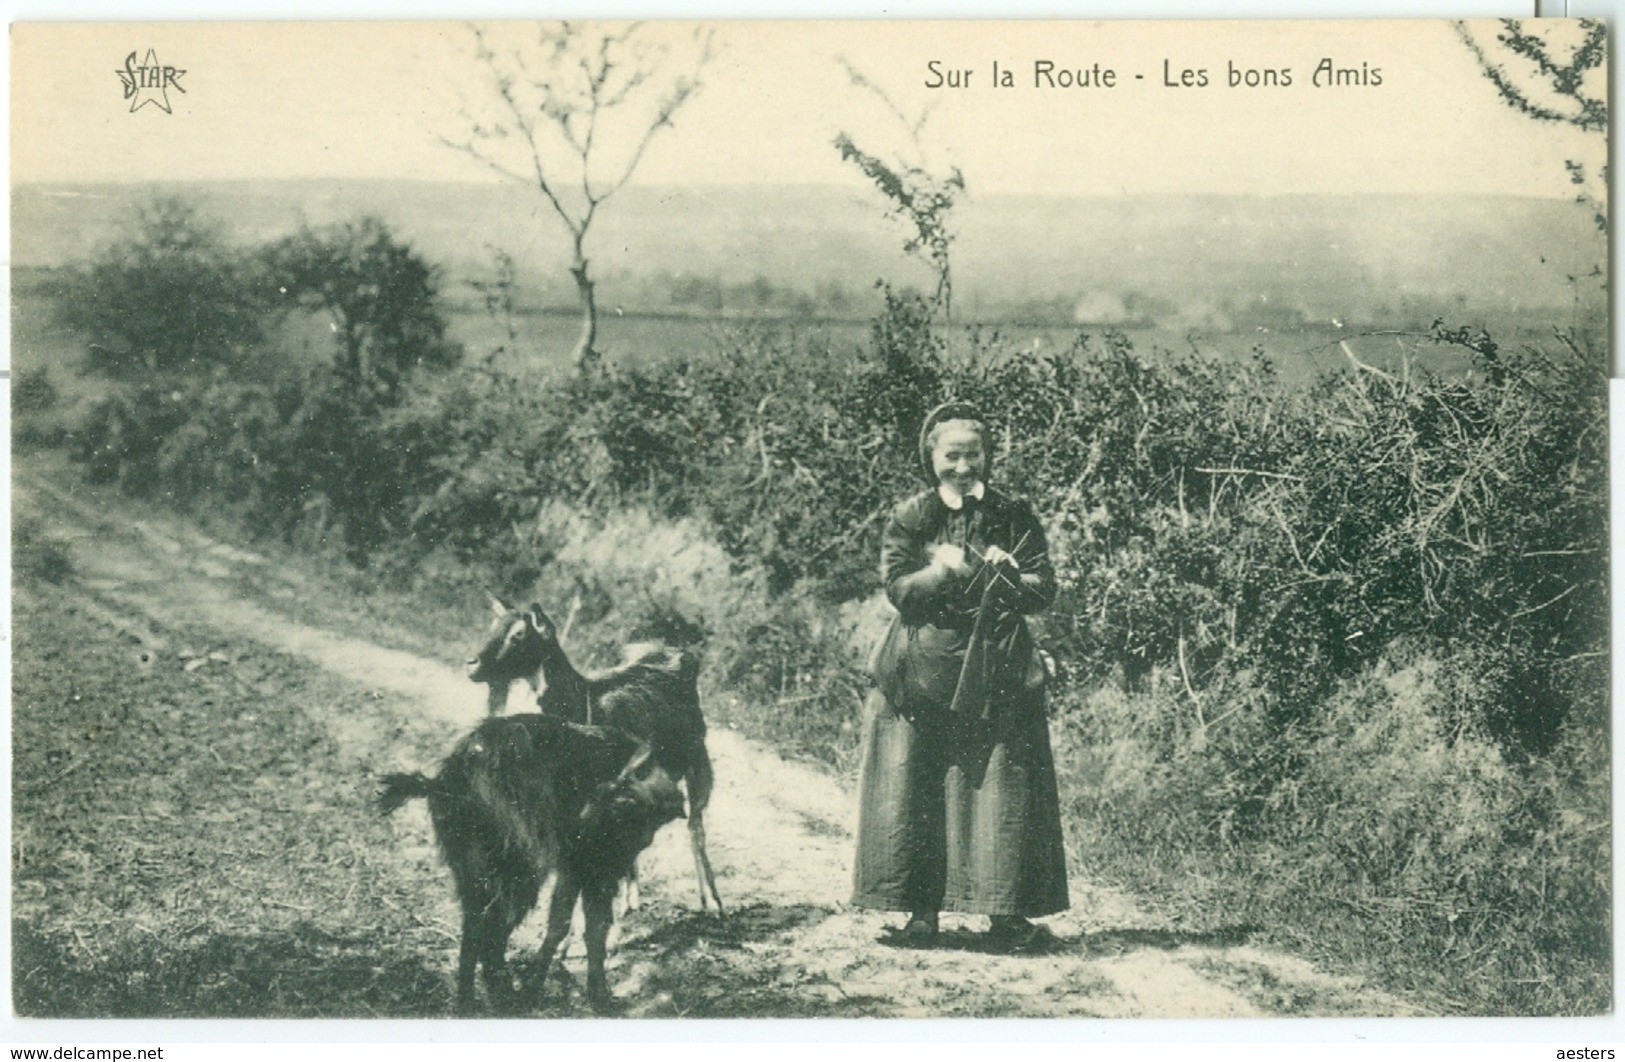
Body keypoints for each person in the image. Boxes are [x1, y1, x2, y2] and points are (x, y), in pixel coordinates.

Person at [852, 400, 1069, 951]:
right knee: (918, 787)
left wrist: (1014, 575)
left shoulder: (1013, 514)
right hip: (922, 670)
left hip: (997, 668)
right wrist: (939, 570)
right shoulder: (912, 515)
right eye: (952, 456)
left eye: (974, 455)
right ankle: (921, 918)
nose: (963, 467)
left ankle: (1005, 918)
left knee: (1000, 787)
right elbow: (898, 589)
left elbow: (1044, 589)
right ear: (932, 457)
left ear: (988, 456)